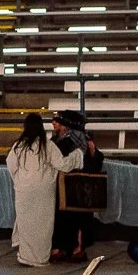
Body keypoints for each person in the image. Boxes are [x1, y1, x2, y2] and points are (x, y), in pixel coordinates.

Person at [7, 112, 78, 268]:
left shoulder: (18, 146)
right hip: (44, 190)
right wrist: (77, 156)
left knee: (26, 223)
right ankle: (40, 257)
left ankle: (26, 256)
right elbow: (62, 164)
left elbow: (11, 165)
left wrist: (20, 181)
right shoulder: (48, 145)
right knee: (43, 224)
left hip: (24, 190)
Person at [50, 109, 103, 261]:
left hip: (77, 187)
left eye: (59, 121)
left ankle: (77, 248)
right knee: (63, 218)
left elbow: (94, 159)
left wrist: (92, 153)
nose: (54, 123)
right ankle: (63, 247)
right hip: (64, 186)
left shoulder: (77, 140)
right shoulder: (59, 140)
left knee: (79, 218)